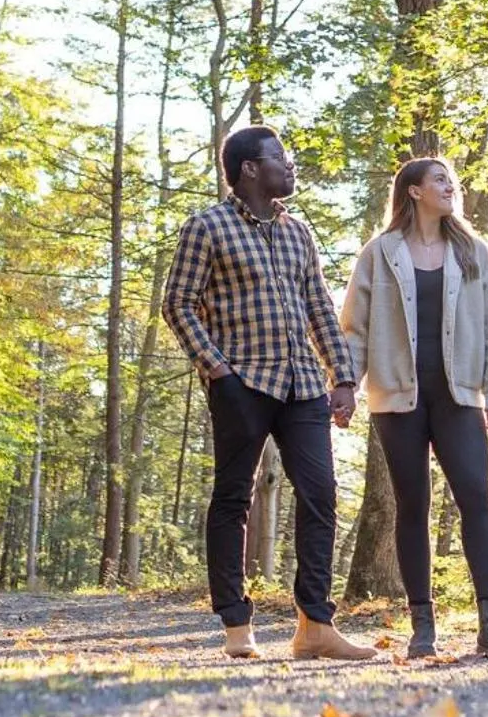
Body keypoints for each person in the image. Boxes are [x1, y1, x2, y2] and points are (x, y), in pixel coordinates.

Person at [161, 124, 376, 662]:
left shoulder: (298, 231)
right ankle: (237, 625)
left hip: (302, 382)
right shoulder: (206, 227)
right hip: (242, 380)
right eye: (281, 157)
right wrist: (218, 372)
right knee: (234, 496)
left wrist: (343, 377)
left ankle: (315, 626)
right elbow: (179, 303)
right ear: (250, 168)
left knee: (321, 495)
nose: (291, 165)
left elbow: (320, 308)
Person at [340, 157, 488, 660]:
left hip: (459, 396)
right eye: (439, 179)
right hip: (398, 399)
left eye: (452, 180)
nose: (450, 187)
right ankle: (423, 627)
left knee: (475, 499)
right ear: (413, 191)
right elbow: (355, 326)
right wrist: (346, 383)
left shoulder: (474, 252)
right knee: (411, 504)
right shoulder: (381, 253)